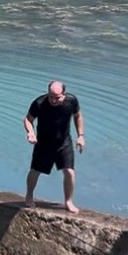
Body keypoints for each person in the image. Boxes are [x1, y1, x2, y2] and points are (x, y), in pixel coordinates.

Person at [23, 80, 85, 212]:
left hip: (64, 142)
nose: (53, 100)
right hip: (43, 144)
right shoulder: (39, 103)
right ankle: (29, 196)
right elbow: (28, 119)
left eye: (57, 97)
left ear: (64, 94)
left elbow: (78, 115)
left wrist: (80, 135)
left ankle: (68, 201)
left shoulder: (71, 101)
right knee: (35, 171)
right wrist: (31, 133)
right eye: (51, 96)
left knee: (69, 172)